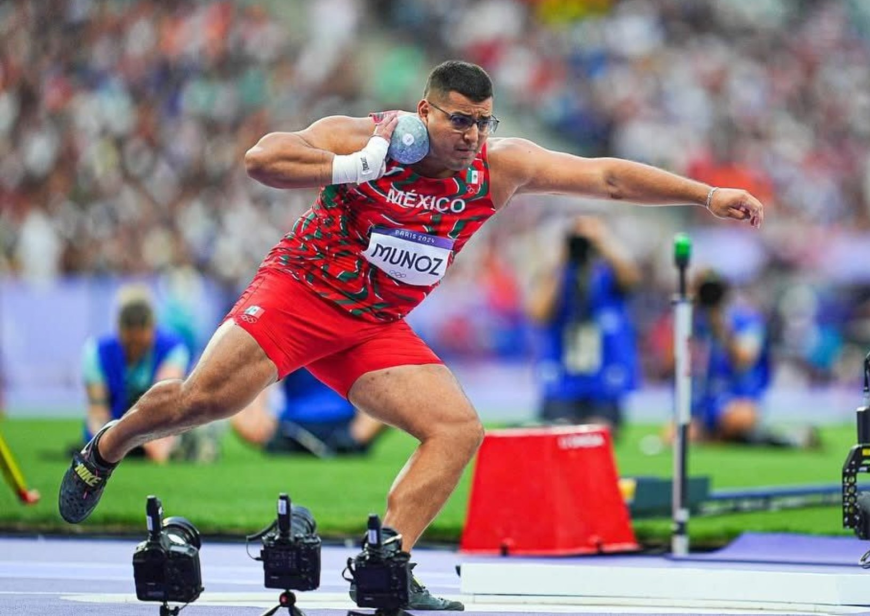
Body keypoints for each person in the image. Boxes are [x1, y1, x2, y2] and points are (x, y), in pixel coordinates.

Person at [59, 60, 763, 610]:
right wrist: (360, 167)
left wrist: (704, 195)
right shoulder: (368, 136)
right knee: (197, 403)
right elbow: (261, 159)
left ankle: (386, 562)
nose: (473, 136)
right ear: (425, 112)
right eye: (460, 121)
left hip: (373, 327)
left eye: (484, 122)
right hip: (298, 298)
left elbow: (605, 177)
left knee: (457, 427)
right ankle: (108, 445)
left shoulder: (497, 167)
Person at [527, 215, 641, 437]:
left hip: (603, 378)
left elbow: (632, 280)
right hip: (563, 378)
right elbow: (539, 313)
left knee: (598, 433)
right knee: (558, 432)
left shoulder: (608, 274)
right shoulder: (557, 275)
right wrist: (561, 261)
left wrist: (603, 244)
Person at [687, 269, 817, 448]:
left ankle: (782, 438)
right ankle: (779, 439)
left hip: (738, 399)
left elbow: (744, 358)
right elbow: (671, 361)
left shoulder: (746, 320)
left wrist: (720, 326)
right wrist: (687, 312)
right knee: (675, 435)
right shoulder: (692, 321)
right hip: (705, 403)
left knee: (737, 420)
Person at [80, 287, 190, 463]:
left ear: (153, 328)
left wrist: (156, 444)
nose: (135, 348)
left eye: (141, 341)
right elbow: (97, 410)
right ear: (119, 330)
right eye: (130, 342)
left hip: (156, 429)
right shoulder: (96, 352)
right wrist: (102, 446)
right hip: (112, 427)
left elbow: (164, 403)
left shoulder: (173, 349)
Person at [231, 367, 387, 457]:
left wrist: (359, 432)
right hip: (292, 426)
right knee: (240, 399)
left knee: (389, 389)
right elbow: (264, 380)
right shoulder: (289, 332)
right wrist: (259, 416)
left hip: (345, 424)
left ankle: (351, 441)